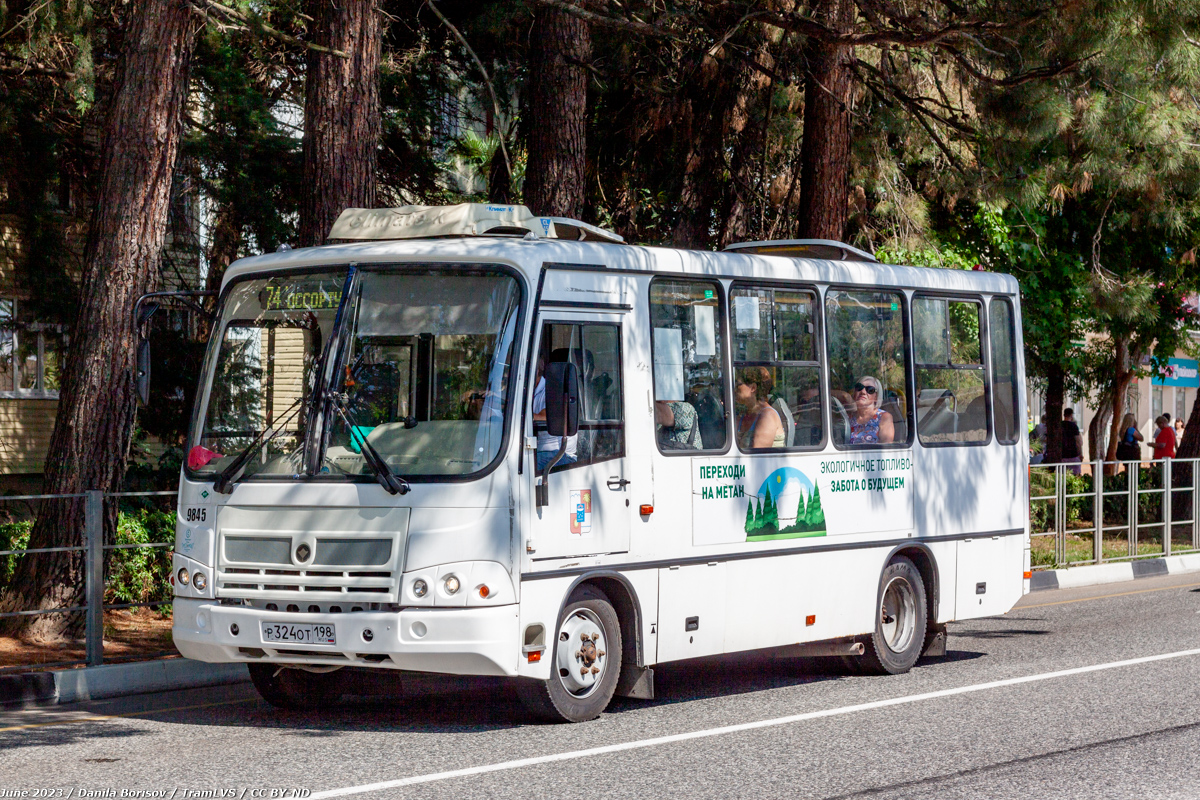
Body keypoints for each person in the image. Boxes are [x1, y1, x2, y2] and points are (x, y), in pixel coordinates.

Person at [532, 359, 578, 471]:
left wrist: (523, 415)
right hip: (539, 450)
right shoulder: (530, 392)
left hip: (561, 454)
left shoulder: (550, 390)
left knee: (523, 466)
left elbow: (547, 416)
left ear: (536, 370)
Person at [735, 367, 785, 449]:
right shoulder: (743, 414)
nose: (734, 389)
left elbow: (758, 458)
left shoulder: (767, 416)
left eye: (738, 385)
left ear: (753, 388)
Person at [848, 375, 894, 445]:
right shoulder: (848, 417)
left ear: (876, 396)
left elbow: (886, 450)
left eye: (870, 390)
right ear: (854, 393)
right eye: (859, 387)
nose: (863, 392)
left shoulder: (884, 417)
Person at [1060, 408, 1083, 474]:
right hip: (1073, 455)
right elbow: (1078, 442)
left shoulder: (1060, 425)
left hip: (1062, 456)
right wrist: (1080, 454)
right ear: (1071, 415)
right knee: (1076, 475)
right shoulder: (1074, 426)